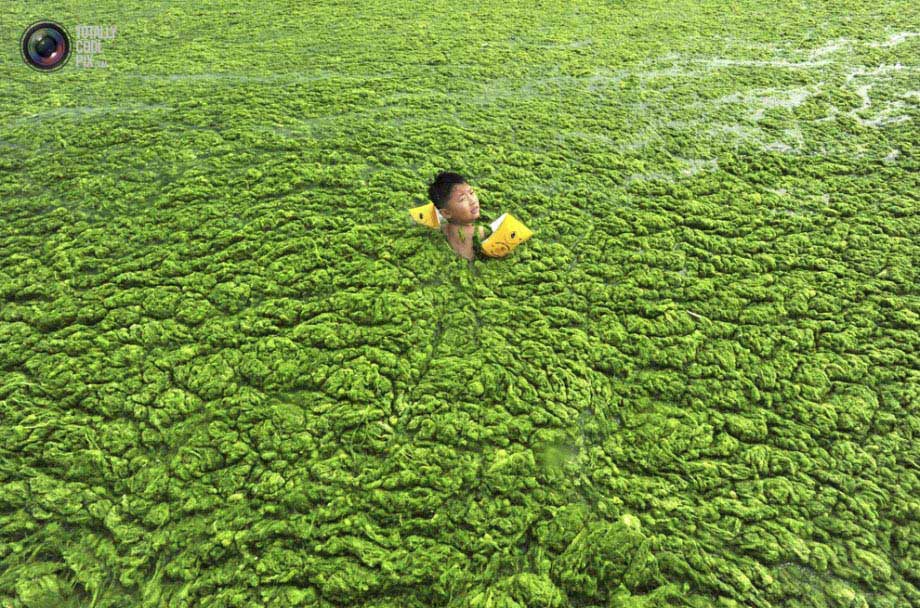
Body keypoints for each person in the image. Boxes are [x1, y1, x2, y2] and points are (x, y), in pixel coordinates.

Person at [426, 171, 492, 261]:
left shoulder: (442, 229)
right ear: (446, 213)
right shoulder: (479, 232)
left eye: (471, 193)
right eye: (462, 199)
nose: (472, 201)